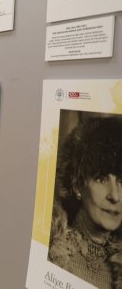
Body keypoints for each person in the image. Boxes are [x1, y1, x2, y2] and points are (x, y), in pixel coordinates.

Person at [48, 116, 122, 289]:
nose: (115, 196)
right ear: (77, 185)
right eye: (101, 179)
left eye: (121, 180)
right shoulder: (52, 251)